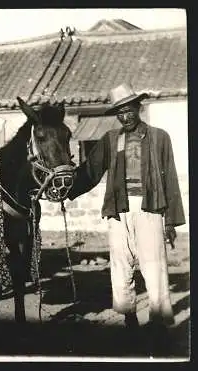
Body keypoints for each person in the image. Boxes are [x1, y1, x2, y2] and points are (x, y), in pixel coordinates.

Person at [67, 83, 185, 348]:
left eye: (128, 110)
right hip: (119, 210)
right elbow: (90, 171)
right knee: (120, 266)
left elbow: (171, 179)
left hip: (150, 208)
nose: (125, 116)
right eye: (119, 112)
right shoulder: (111, 139)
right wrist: (66, 190)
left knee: (154, 266)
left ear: (138, 108)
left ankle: (158, 320)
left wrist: (171, 220)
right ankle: (128, 317)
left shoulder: (159, 137)